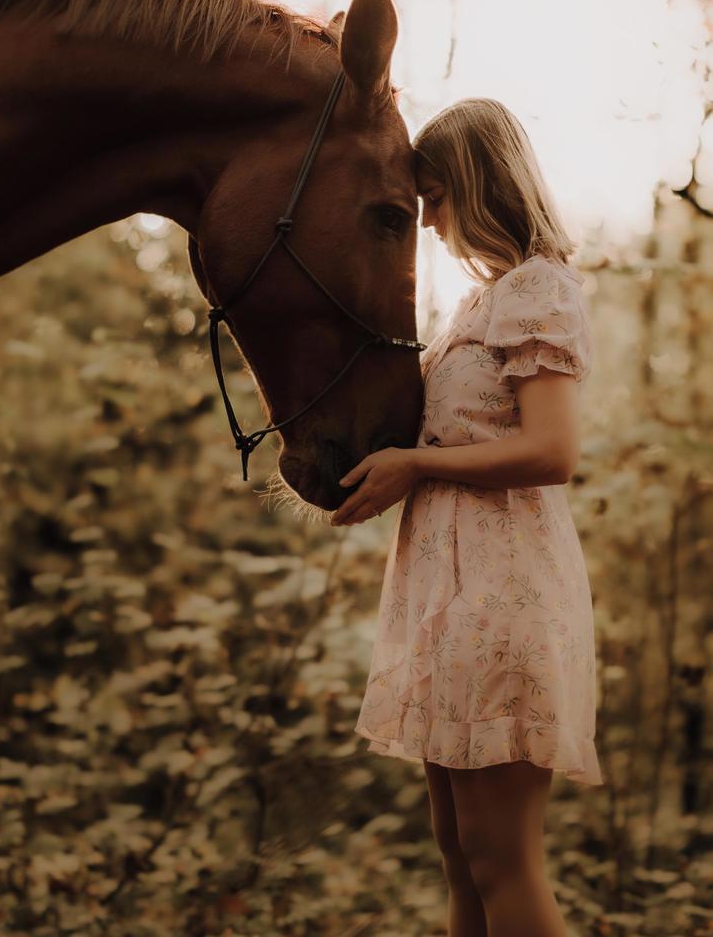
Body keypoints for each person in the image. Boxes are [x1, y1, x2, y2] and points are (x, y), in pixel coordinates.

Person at [331, 97, 602, 937]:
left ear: (480, 186)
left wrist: (415, 464)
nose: (434, 223)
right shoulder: (475, 310)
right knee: (459, 854)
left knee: (500, 858)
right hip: (449, 601)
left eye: (438, 199)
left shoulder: (536, 290)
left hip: (504, 597)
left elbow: (551, 453)